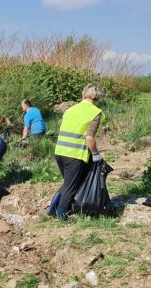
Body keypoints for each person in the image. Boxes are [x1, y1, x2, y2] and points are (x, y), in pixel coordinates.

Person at [47, 83, 106, 219]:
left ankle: (52, 209)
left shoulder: (70, 110)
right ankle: (61, 214)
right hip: (75, 154)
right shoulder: (95, 112)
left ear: (83, 93)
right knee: (71, 186)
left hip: (60, 151)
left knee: (68, 183)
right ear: (98, 97)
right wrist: (96, 155)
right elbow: (90, 137)